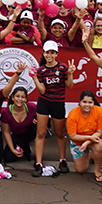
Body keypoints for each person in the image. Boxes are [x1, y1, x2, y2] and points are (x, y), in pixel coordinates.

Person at [31, 40, 75, 177]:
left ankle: (63, 160)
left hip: (58, 103)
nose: (49, 55)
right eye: (47, 52)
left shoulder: (62, 68)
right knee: (40, 133)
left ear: (56, 54)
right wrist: (35, 79)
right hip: (44, 103)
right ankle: (38, 163)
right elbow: (42, 91)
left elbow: (69, 86)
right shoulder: (41, 70)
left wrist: (71, 73)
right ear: (43, 53)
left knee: (60, 133)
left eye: (52, 52)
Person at [65, 90, 102, 182]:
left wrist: (88, 141)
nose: (87, 105)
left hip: (94, 137)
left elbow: (100, 132)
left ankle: (98, 170)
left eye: (90, 102)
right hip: (78, 140)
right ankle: (89, 154)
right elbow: (72, 136)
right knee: (81, 170)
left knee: (99, 146)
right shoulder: (73, 115)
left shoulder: (99, 111)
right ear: (79, 102)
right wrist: (88, 138)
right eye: (84, 102)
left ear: (93, 103)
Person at [0, 86, 37, 165]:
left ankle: (38, 158)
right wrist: (13, 150)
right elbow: (6, 132)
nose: (20, 99)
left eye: (23, 97)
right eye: (17, 96)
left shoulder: (32, 107)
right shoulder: (6, 112)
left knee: (39, 128)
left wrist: (37, 120)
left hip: (30, 133)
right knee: (8, 158)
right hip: (17, 136)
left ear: (26, 99)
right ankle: (25, 148)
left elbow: (45, 119)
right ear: (12, 98)